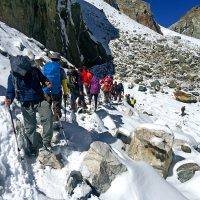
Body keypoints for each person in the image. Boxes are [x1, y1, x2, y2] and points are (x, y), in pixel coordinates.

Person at [5, 55, 53, 156]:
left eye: (23, 70)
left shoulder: (34, 71)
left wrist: (47, 82)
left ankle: (46, 142)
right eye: (20, 71)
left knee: (48, 117)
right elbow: (10, 91)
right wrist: (9, 98)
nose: (23, 72)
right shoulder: (13, 77)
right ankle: (33, 146)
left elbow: (43, 79)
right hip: (26, 103)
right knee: (30, 126)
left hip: (40, 99)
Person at [43, 52, 69, 121]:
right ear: (59, 60)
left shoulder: (46, 67)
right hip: (56, 91)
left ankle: (47, 123)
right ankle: (56, 122)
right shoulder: (60, 69)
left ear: (51, 59)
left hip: (46, 90)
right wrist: (66, 93)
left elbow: (42, 79)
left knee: (47, 107)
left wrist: (42, 89)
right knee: (56, 107)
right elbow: (64, 82)